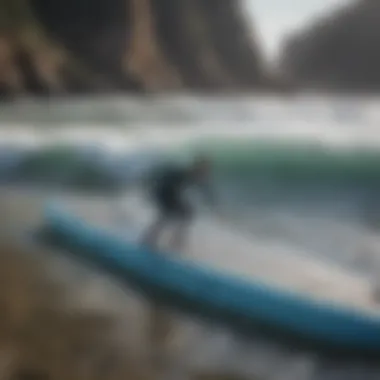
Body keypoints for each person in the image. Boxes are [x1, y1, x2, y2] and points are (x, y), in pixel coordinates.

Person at [141, 155, 216, 252]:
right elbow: (165, 183)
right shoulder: (184, 173)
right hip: (162, 192)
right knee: (168, 215)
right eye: (204, 169)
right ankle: (150, 241)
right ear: (197, 166)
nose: (206, 172)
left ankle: (173, 244)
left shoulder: (195, 176)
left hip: (170, 194)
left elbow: (206, 192)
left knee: (186, 214)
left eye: (206, 169)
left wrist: (215, 206)